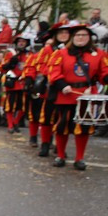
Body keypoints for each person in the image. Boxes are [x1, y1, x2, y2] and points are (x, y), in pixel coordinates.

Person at [45, 21, 107, 170]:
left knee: (83, 128)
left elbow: (103, 73)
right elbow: (53, 72)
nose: (80, 38)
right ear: (72, 37)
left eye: (84, 35)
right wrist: (62, 85)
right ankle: (60, 155)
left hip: (86, 96)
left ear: (90, 37)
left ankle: (80, 158)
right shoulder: (60, 53)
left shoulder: (99, 54)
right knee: (62, 127)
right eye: (77, 35)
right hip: (65, 95)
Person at [32, 23, 71, 156]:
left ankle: (59, 146)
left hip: (68, 90)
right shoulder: (48, 50)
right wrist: (53, 74)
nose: (64, 35)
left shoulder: (73, 51)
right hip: (52, 88)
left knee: (63, 119)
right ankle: (45, 143)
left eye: (66, 32)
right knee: (47, 118)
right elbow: (40, 66)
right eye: (61, 33)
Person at [0, 35, 32, 133]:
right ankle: (10, 125)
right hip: (13, 83)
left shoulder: (30, 55)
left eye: (23, 41)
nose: (21, 43)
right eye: (19, 41)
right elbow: (1, 68)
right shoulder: (10, 54)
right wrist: (10, 64)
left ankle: (15, 122)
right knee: (10, 106)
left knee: (23, 106)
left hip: (24, 83)